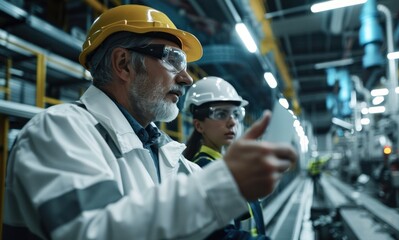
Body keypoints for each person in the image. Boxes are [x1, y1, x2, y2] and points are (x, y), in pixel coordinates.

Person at [2, 4, 297, 240]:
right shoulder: (58, 132)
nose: (186, 78)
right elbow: (91, 231)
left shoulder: (172, 156)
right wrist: (225, 185)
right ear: (123, 64)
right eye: (173, 60)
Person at [183, 76, 268, 239]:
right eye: (221, 114)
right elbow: (217, 235)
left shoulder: (226, 165)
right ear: (198, 125)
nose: (232, 122)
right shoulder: (202, 169)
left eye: (236, 114)